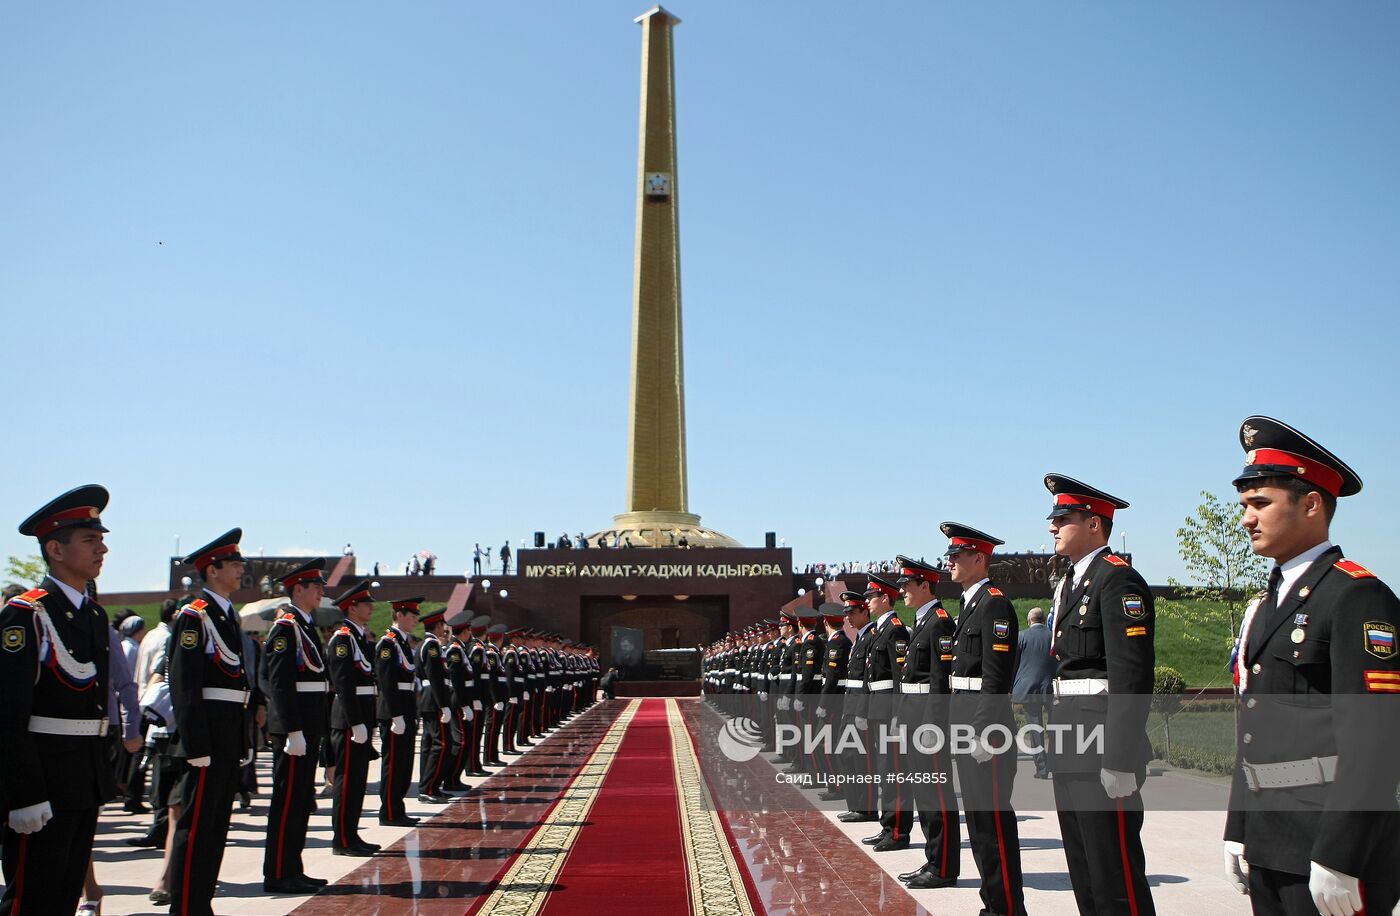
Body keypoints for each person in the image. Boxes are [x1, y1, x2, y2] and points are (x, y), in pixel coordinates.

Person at [1223, 416, 1400, 916]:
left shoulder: (1356, 596)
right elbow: (1253, 724)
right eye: (1244, 506)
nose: (1246, 520)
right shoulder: (1267, 604)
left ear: (1312, 503)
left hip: (1327, 843)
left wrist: (1342, 853)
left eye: (1260, 504)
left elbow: (1376, 739)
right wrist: (1238, 829)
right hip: (1269, 838)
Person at [1043, 475, 1156, 916]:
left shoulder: (1117, 580)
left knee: (1116, 874)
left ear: (1094, 524)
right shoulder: (1070, 583)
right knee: (1084, 868)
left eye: (1063, 518)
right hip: (1070, 740)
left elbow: (1131, 674)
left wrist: (1121, 757)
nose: (1053, 527)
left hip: (1102, 746)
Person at [0, 485, 114, 916]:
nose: (102, 548)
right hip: (43, 780)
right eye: (89, 540)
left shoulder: (92, 614)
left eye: (101, 539)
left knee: (64, 896)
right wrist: (24, 793)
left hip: (81, 778)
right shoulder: (25, 615)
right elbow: (8, 713)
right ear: (56, 549)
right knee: (31, 900)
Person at [166, 528, 257, 916]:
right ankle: (186, 905)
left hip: (227, 732)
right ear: (212, 569)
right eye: (234, 564)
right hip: (207, 737)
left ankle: (200, 902)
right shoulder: (195, 616)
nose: (240, 570)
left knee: (216, 826)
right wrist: (196, 743)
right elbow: (184, 685)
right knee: (197, 824)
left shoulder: (224, 615)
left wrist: (241, 738)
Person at [943, 523, 1027, 916]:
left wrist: (981, 732)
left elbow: (995, 679)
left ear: (980, 558)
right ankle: (993, 904)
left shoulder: (995, 604)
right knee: (978, 825)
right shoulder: (970, 603)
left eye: (957, 556)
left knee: (992, 825)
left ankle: (1008, 908)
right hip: (966, 724)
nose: (950, 562)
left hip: (985, 732)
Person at [261, 558, 331, 893]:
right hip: (295, 730)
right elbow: (280, 683)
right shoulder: (285, 628)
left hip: (308, 726)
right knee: (287, 802)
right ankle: (277, 872)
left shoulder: (305, 626)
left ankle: (293, 867)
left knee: (300, 801)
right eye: (314, 585)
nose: (321, 591)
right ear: (297, 589)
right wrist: (291, 730)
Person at [892, 555, 960, 891]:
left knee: (936, 797)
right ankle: (934, 860)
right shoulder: (923, 621)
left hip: (928, 726)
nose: (902, 590)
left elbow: (940, 680)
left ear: (925, 585)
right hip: (913, 719)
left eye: (907, 584)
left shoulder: (939, 622)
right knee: (925, 795)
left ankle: (944, 866)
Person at [326, 579, 381, 856]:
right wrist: (355, 721)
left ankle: (352, 834)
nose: (370, 607)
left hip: (361, 716)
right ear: (352, 607)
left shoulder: (360, 637)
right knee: (346, 781)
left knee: (358, 780)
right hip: (349, 719)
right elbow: (344, 683)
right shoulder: (342, 639)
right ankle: (342, 839)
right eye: (365, 603)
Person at [861, 573, 912, 852]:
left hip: (889, 712)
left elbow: (898, 677)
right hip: (877, 710)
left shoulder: (894, 629)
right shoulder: (877, 629)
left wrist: (896, 715)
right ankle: (887, 825)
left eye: (871, 596)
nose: (867, 601)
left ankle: (897, 832)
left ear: (885, 599)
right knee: (884, 770)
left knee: (893, 771)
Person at [375, 597, 420, 826]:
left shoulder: (402, 642)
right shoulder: (388, 643)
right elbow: (387, 681)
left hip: (406, 706)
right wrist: (396, 715)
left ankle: (397, 808)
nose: (415, 620)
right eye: (411, 615)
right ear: (399, 615)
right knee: (393, 764)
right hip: (395, 710)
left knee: (404, 763)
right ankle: (389, 812)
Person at [415, 606, 454, 802]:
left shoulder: (429, 644)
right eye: (443, 625)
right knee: (441, 743)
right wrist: (443, 705)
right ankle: (428, 788)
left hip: (431, 697)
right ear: (438, 625)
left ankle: (431, 786)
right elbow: (435, 676)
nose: (444, 629)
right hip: (433, 698)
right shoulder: (431, 645)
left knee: (432, 744)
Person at [1013, 607, 1055, 779]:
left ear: (1030, 620)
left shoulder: (1021, 637)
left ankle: (1042, 767)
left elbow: (1014, 663)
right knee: (1054, 727)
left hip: (1028, 687)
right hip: (1051, 686)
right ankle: (1056, 762)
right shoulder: (1053, 636)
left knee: (1035, 728)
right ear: (1044, 620)